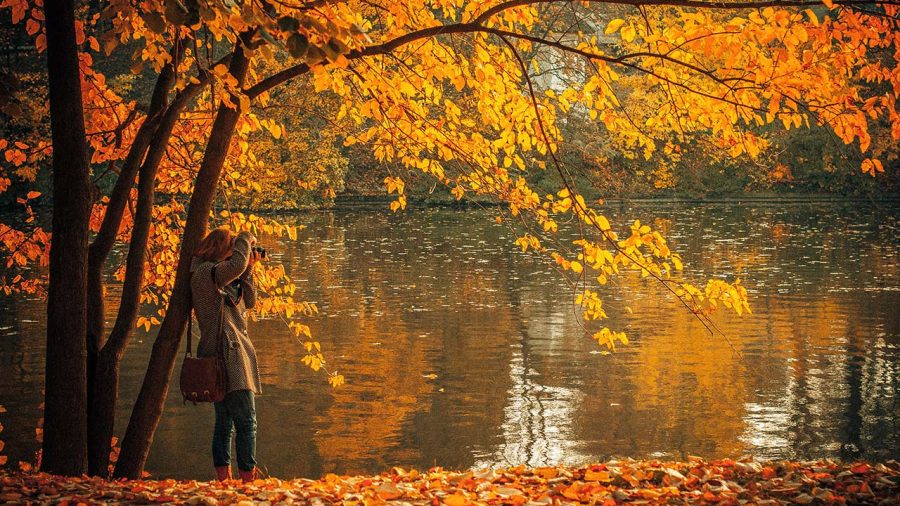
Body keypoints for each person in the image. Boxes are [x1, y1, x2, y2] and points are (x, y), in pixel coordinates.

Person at [191, 227, 263, 482]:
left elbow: (251, 301)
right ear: (221, 248)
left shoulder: (222, 277)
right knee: (246, 422)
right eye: (232, 246)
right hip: (225, 355)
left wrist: (250, 269)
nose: (237, 252)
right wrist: (245, 237)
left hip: (232, 353)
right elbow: (234, 266)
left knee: (226, 422)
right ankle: (247, 481)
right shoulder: (205, 274)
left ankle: (226, 481)